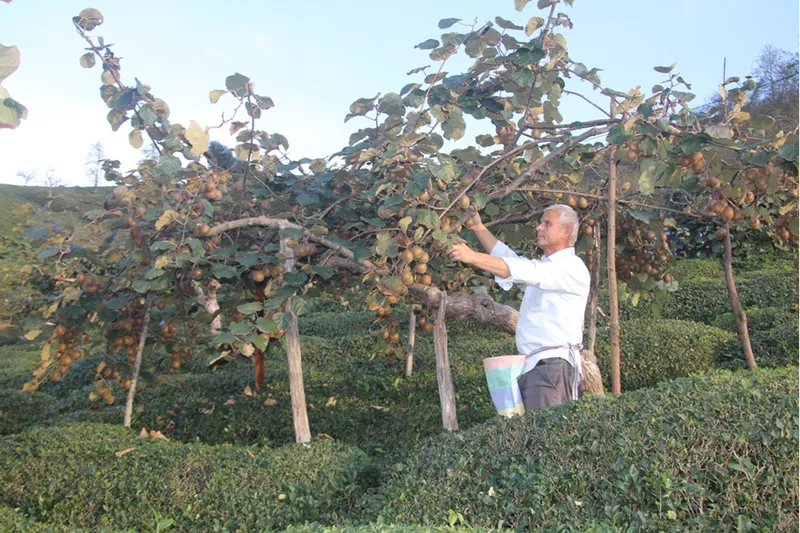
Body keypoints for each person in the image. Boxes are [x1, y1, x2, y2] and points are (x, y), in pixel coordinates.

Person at [448, 204, 590, 411]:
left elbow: (519, 269)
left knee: (544, 435)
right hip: (537, 366)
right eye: (541, 222)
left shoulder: (571, 267)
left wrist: (472, 257)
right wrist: (479, 228)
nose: (539, 227)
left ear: (566, 231)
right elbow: (511, 260)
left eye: (547, 223)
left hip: (552, 367)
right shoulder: (547, 267)